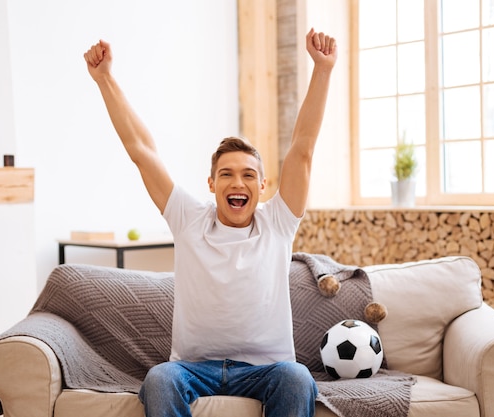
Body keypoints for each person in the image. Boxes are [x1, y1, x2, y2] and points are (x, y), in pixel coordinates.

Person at [84, 27, 337, 417]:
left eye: (249, 175)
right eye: (227, 174)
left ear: (263, 184)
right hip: (192, 370)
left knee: (298, 378)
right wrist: (105, 80)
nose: (238, 182)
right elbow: (142, 151)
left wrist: (322, 70)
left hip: (266, 370)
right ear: (211, 183)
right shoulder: (188, 218)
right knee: (159, 379)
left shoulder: (278, 222)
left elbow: (302, 150)